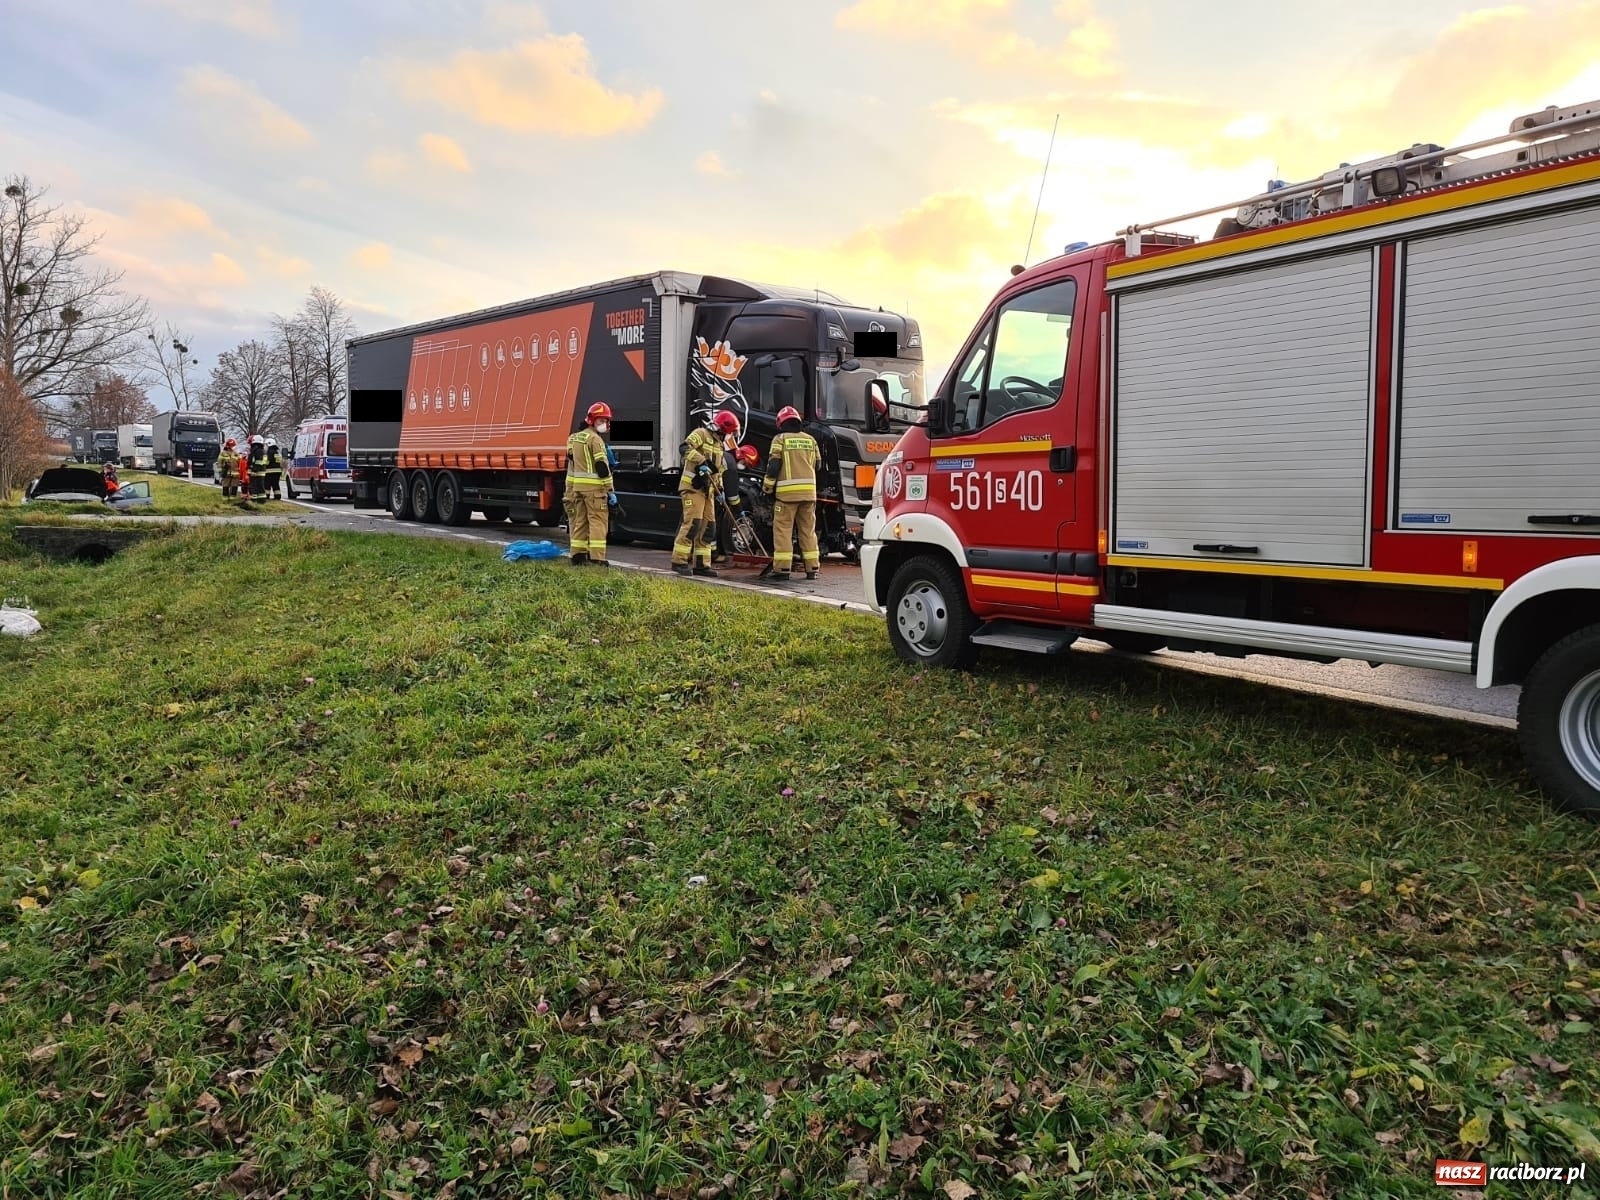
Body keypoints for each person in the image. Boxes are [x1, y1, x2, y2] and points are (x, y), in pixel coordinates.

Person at [673, 411, 737, 577]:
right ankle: (679, 561)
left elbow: (718, 471)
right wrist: (701, 461)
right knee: (692, 524)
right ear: (721, 428)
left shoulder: (719, 445)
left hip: (708, 491)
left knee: (708, 528)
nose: (728, 436)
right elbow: (684, 448)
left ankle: (701, 564)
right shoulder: (701, 433)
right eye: (728, 432)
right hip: (692, 488)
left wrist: (720, 490)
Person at [763, 405, 821, 582]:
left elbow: (773, 466)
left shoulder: (780, 439)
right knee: (808, 531)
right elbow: (818, 465)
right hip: (809, 495)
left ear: (781, 423)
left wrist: (767, 488)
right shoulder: (811, 440)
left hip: (786, 496)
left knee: (783, 531)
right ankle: (812, 569)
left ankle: (782, 569)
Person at [564, 402, 614, 566]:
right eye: (602, 420)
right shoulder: (595, 439)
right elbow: (601, 466)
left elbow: (571, 460)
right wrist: (610, 490)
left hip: (578, 489)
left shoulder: (574, 438)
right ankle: (597, 559)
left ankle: (577, 556)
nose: (605, 424)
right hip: (595, 490)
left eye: (606, 421)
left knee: (581, 522)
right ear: (592, 420)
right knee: (598, 522)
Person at [716, 443, 760, 561]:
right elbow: (733, 495)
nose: (744, 467)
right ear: (740, 457)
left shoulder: (729, 460)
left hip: (713, 492)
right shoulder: (730, 464)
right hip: (706, 492)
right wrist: (739, 510)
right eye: (745, 463)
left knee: (708, 525)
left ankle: (711, 555)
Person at [247, 434, 268, 503]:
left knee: (254, 486)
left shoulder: (257, 451)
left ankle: (254, 500)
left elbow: (258, 462)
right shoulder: (262, 450)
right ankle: (261, 501)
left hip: (256, 472)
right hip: (261, 471)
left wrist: (254, 471)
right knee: (260, 487)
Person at [264, 436, 284, 501]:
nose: (266, 446)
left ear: (269, 444)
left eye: (267, 444)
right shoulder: (277, 452)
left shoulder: (270, 451)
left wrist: (263, 464)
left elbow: (267, 461)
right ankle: (277, 496)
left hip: (270, 471)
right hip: (277, 472)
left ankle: (266, 496)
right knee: (275, 484)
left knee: (267, 484)